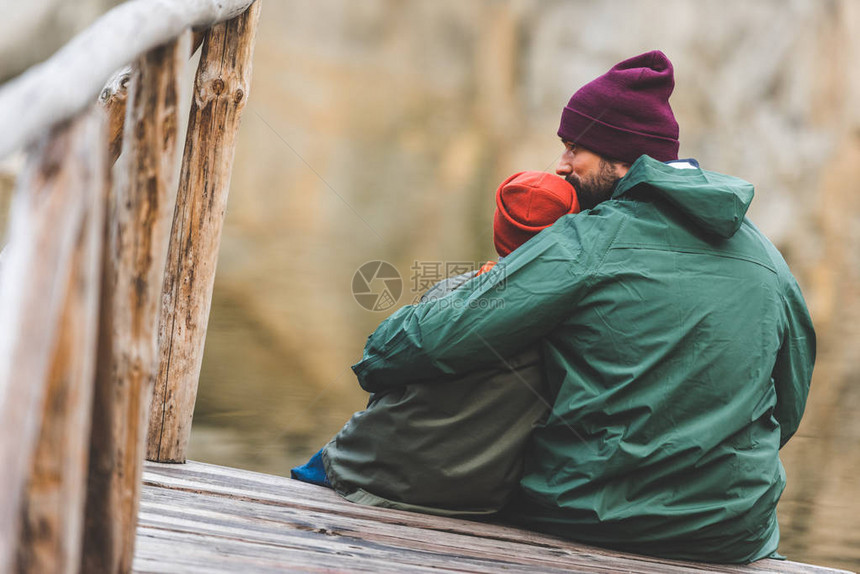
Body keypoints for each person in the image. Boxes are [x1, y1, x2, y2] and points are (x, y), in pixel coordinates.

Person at [351, 50, 815, 563]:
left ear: (624, 159)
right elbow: (789, 406)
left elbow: (431, 342)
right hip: (735, 533)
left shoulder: (587, 241)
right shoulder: (769, 259)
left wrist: (378, 353)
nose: (562, 165)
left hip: (590, 516)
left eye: (576, 149)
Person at [292, 171, 580, 517]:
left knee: (305, 482)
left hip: (372, 473)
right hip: (478, 498)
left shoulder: (451, 294)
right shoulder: (574, 316)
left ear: (497, 226)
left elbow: (378, 375)